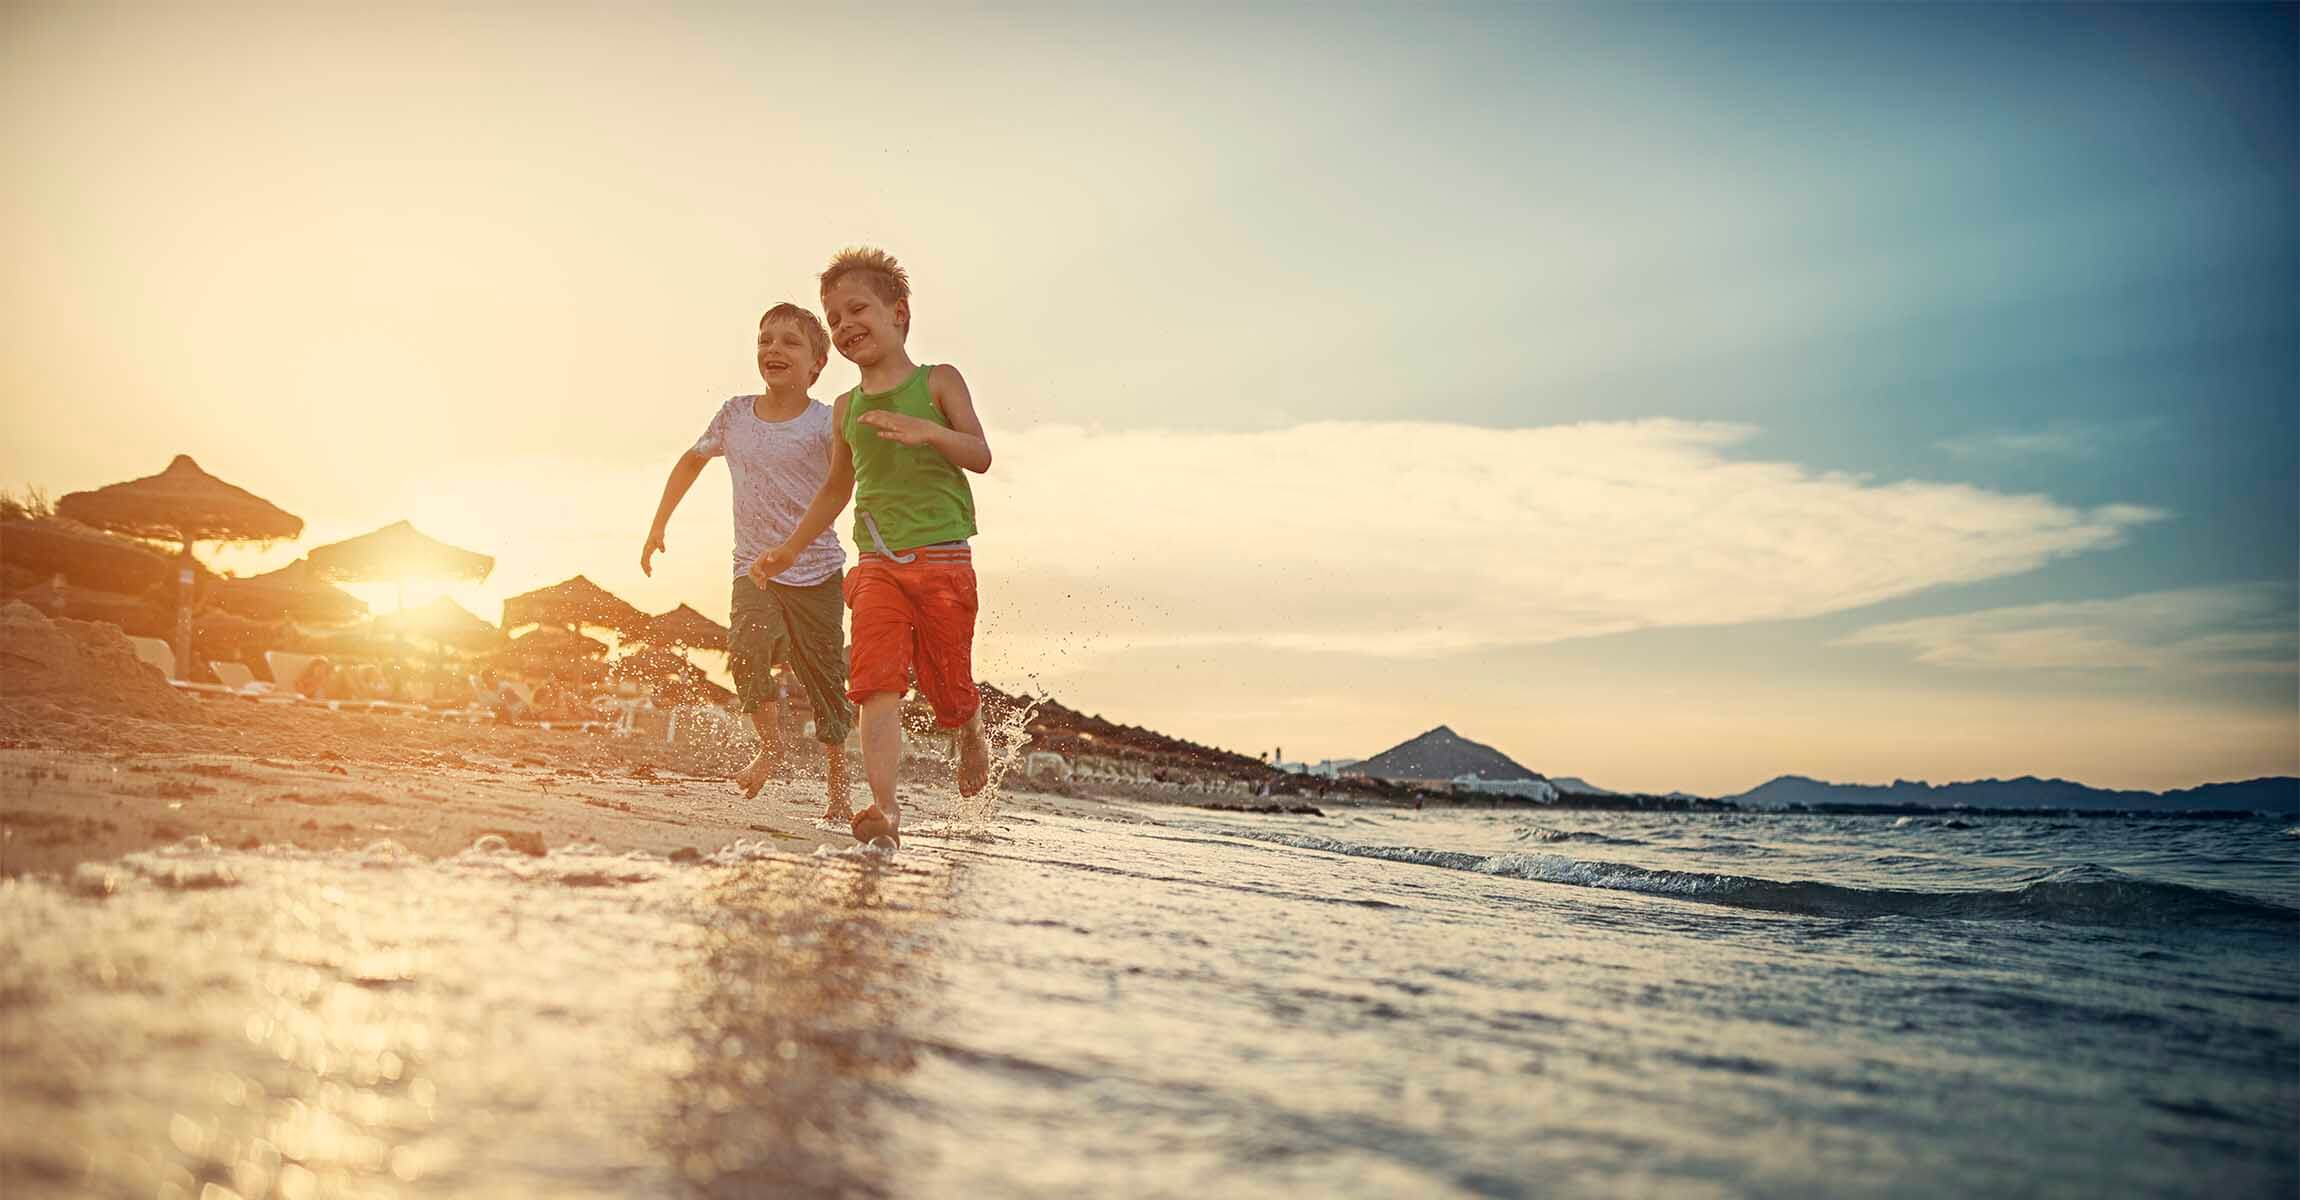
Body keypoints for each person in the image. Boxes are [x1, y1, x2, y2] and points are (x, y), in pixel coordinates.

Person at [750, 247, 995, 848]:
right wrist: (788, 548)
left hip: (943, 563)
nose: (844, 324)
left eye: (857, 308)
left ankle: (970, 730)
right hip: (876, 565)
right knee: (876, 684)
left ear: (899, 313)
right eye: (833, 318)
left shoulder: (938, 380)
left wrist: (929, 431)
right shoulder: (846, 408)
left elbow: (980, 455)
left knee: (949, 692)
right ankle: (886, 809)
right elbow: (837, 488)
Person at [642, 301, 855, 820]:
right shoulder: (735, 415)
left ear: (816, 365)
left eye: (789, 342)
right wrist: (658, 523)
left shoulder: (826, 424)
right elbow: (691, 460)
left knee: (825, 677)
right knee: (745, 650)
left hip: (818, 571)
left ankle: (838, 787)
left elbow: (848, 484)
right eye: (765, 340)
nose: (774, 350)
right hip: (753, 567)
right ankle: (770, 746)